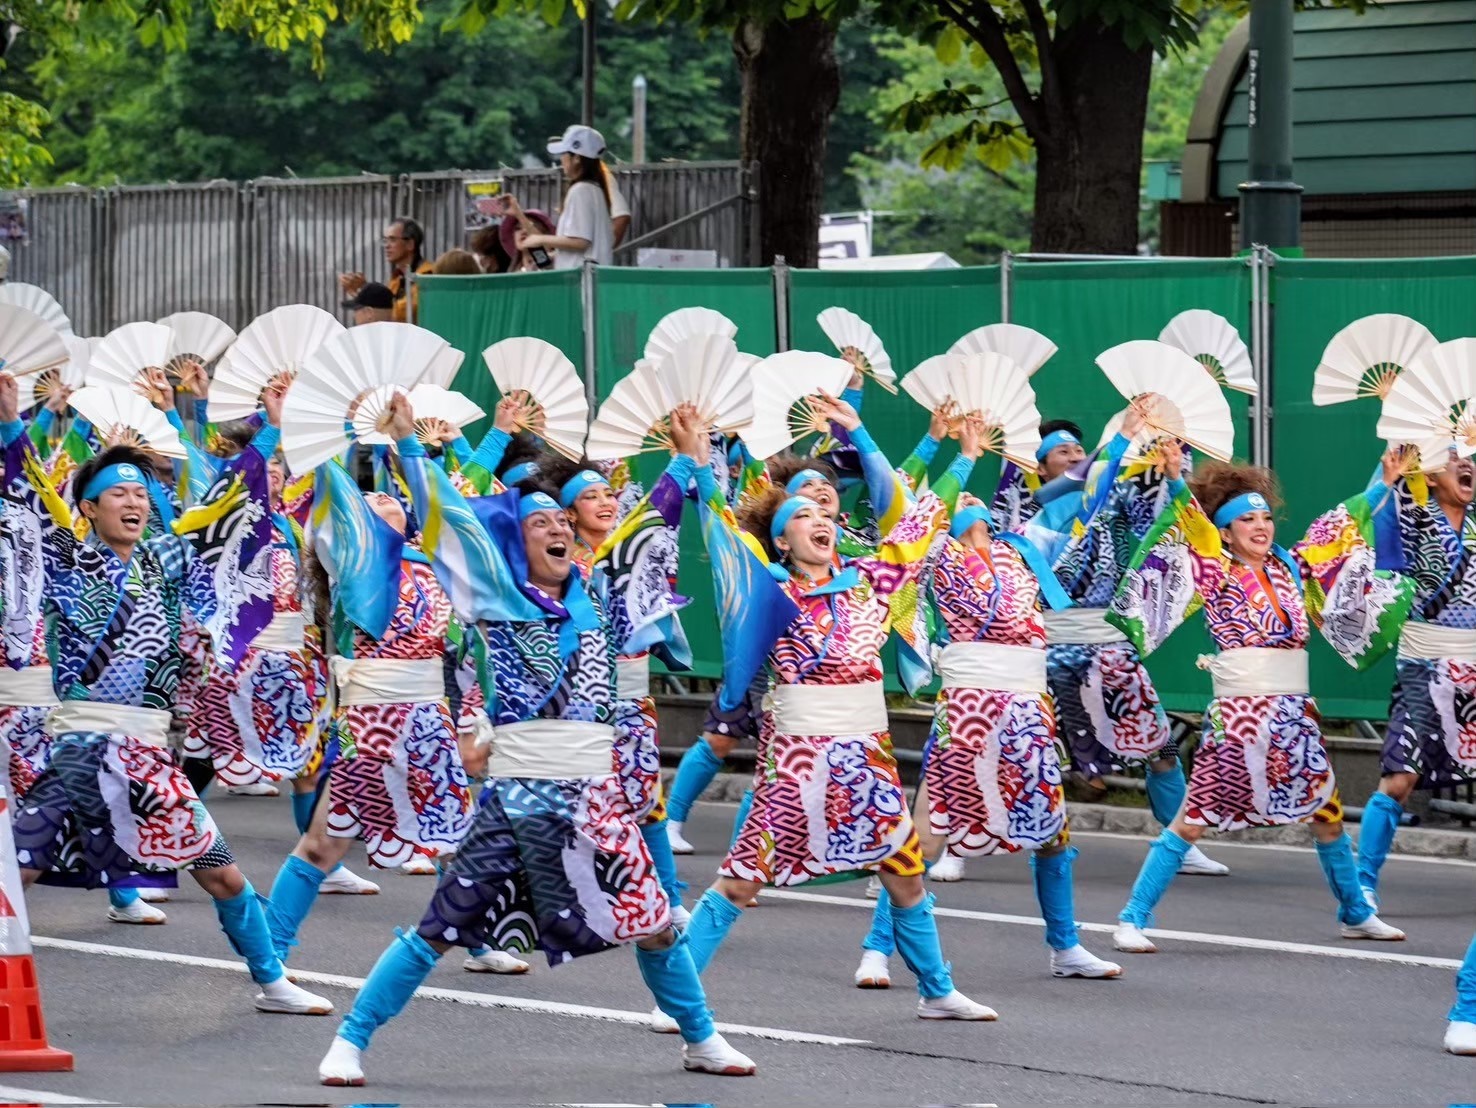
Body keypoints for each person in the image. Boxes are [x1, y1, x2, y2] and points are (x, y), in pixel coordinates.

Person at [316, 395, 756, 1085]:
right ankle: (352, 1037)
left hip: (596, 796)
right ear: (517, 542)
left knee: (657, 923)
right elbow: (451, 521)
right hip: (516, 799)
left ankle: (701, 1038)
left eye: (561, 522)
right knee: (439, 927)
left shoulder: (600, 594)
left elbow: (650, 527)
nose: (555, 529)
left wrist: (686, 457)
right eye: (539, 522)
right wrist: (406, 444)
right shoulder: (497, 598)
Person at [0, 371, 333, 1016]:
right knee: (21, 871)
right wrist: (14, 424)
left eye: (139, 492)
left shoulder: (169, 561)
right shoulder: (66, 558)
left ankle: (272, 981)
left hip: (149, 757)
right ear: (88, 508)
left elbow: (231, 501)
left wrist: (272, 424)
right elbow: (29, 495)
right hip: (78, 753)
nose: (131, 502)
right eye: (114, 493)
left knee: (224, 873)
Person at [678, 393, 997, 1023]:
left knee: (906, 873)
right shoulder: (766, 590)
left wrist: (866, 436)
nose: (818, 517)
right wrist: (695, 464)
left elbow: (919, 523)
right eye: (798, 515)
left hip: (867, 761)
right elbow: (719, 529)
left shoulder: (870, 581)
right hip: (795, 762)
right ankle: (679, 994)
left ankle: (937, 991)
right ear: (778, 537)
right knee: (741, 880)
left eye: (821, 510)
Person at [853, 410, 1121, 988]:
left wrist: (1125, 436)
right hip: (970, 710)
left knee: (1052, 830)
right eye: (958, 498)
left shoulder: (1025, 549)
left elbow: (1084, 498)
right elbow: (894, 496)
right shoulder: (938, 556)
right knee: (923, 835)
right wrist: (957, 451)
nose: (968, 498)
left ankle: (1066, 946)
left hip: (1027, 711)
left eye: (975, 494)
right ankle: (876, 948)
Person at [1108, 450, 1411, 954]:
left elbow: (1338, 529)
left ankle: (1356, 912)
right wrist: (1176, 479)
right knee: (1194, 817)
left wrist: (1383, 482)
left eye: (1265, 516)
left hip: (1293, 714)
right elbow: (1192, 528)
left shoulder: (1291, 567)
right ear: (1224, 531)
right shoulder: (1214, 572)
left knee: (1326, 813)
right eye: (1245, 519)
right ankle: (1131, 917)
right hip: (1242, 717)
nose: (1260, 526)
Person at [1020, 414, 1229, 882]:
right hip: (1053, 651)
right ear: (1042, 469)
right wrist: (1120, 439)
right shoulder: (1037, 518)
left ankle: (1180, 842)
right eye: (1063, 452)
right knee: (1020, 753)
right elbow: (1086, 491)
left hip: (1111, 644)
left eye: (1079, 448)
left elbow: (1167, 522)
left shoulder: (1113, 499)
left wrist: (1171, 467)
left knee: (1161, 746)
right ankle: (959, 844)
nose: (1076, 455)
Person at [1353, 447, 1476, 910]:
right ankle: (1363, 883)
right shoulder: (1415, 516)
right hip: (1425, 669)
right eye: (1454, 460)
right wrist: (1387, 475)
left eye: (1471, 460)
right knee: (1401, 777)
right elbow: (1372, 528)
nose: (1466, 467)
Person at [516, 125, 613, 269]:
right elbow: (587, 247)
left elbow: (581, 242)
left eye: (564, 153)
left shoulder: (580, 190)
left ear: (577, 158)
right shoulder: (595, 189)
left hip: (582, 283)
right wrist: (554, 257)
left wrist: (539, 239)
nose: (562, 159)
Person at [339, 217, 434, 322]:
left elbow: (396, 312)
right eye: (385, 240)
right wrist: (363, 292)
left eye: (392, 240)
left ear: (410, 244)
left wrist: (365, 290)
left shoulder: (428, 275)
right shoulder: (397, 278)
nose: (387, 246)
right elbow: (383, 307)